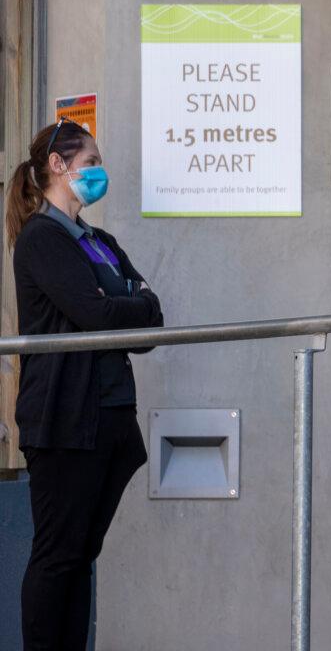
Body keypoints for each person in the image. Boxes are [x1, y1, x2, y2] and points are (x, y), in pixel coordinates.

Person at [9, 118, 164, 650]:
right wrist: (127, 303)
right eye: (91, 162)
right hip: (65, 421)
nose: (99, 171)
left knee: (80, 556)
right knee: (58, 556)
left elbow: (152, 323)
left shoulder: (100, 241)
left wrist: (125, 307)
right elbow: (96, 315)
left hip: (110, 419)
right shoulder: (42, 239)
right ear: (58, 166)